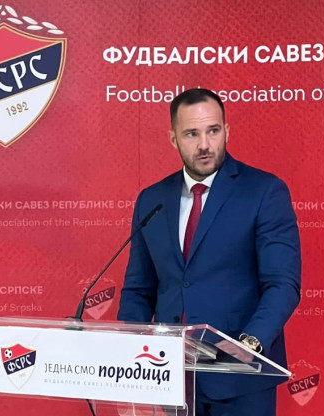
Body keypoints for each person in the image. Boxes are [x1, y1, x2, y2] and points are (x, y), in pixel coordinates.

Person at [117, 88, 301, 416]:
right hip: (171, 379)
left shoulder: (264, 191)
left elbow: (282, 284)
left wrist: (249, 344)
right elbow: (138, 290)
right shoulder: (151, 200)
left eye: (213, 131)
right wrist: (131, 356)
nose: (204, 144)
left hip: (241, 378)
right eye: (192, 134)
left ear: (226, 131)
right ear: (173, 139)